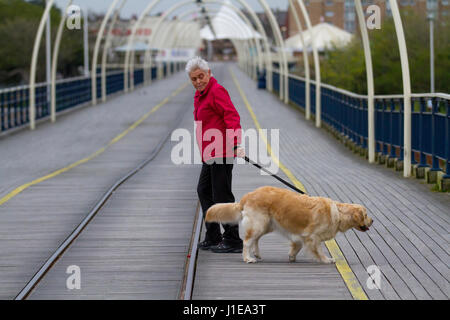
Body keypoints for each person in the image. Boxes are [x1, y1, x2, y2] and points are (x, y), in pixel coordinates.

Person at [186, 57, 245, 253]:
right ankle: (213, 235)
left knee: (222, 195)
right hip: (210, 154)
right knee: (204, 191)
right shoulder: (200, 95)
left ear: (209, 73)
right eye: (193, 79)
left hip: (222, 152)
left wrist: (236, 143)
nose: (198, 81)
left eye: (201, 76)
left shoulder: (216, 91)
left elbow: (232, 116)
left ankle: (233, 239)